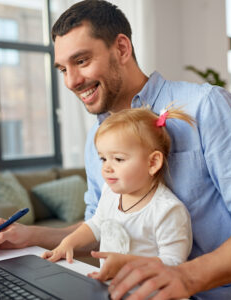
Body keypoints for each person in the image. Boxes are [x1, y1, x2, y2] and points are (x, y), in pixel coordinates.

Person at [0, 1, 231, 299]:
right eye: (62, 69)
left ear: (122, 48)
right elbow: (100, 224)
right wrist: (30, 235)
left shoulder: (205, 107)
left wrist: (185, 277)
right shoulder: (97, 140)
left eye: (82, 60)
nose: (72, 81)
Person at [41, 107, 194, 281]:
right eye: (103, 158)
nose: (106, 167)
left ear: (153, 162)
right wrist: (69, 242)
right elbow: (96, 225)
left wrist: (127, 263)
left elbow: (174, 262)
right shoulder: (110, 193)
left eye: (118, 159)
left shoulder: (167, 210)